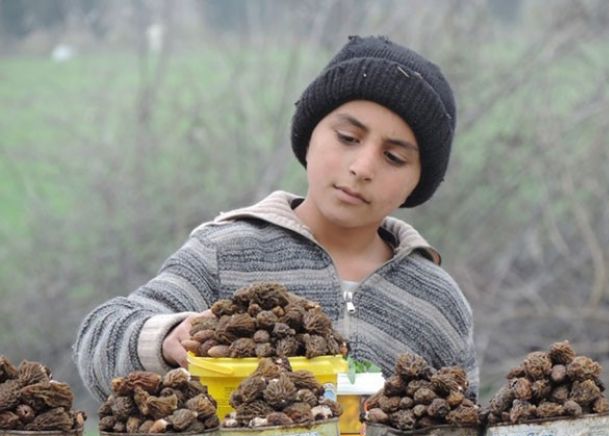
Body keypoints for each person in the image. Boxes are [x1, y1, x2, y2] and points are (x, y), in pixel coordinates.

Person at [74, 35, 478, 401]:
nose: (362, 166)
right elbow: (99, 339)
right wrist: (165, 339)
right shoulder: (225, 252)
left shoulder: (437, 302)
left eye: (393, 157)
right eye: (348, 138)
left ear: (417, 183)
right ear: (309, 135)